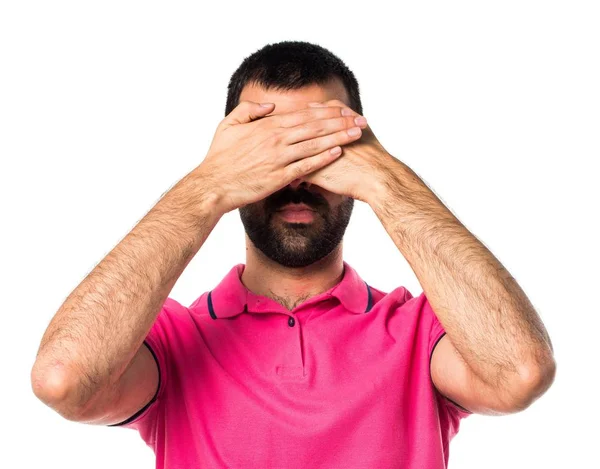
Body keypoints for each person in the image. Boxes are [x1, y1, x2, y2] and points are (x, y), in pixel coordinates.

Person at [31, 41, 556, 468]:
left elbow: (520, 373)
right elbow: (64, 380)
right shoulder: (175, 340)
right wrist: (206, 187)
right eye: (274, 148)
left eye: (320, 144)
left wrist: (387, 181)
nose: (297, 175)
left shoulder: (421, 332)